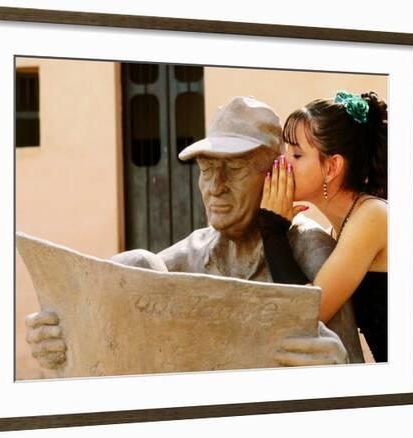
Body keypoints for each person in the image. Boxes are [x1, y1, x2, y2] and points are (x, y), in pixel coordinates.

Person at [26, 96, 359, 370]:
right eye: (207, 169)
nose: (216, 187)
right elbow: (99, 313)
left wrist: (336, 367)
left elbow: (353, 371)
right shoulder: (190, 253)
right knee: (136, 263)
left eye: (235, 168)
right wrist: (65, 334)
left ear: (276, 175)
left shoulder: (311, 248)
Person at [257, 90, 388, 362]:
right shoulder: (338, 231)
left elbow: (308, 316)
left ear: (332, 167)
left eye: (296, 154)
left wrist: (271, 231)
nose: (282, 163)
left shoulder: (373, 217)